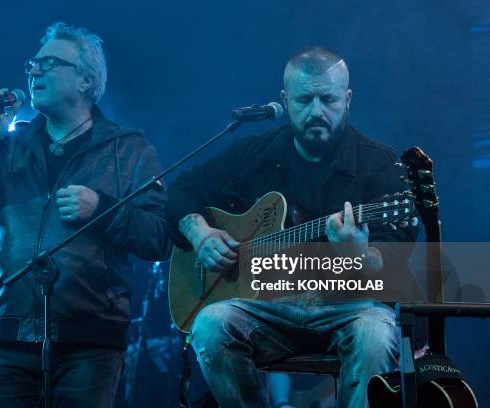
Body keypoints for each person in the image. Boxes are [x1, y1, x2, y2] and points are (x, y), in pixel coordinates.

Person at [165, 47, 419, 407]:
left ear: (347, 100)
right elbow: (182, 189)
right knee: (210, 323)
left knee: (376, 333)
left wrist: (358, 254)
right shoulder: (254, 154)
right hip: (268, 311)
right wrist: (200, 233)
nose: (316, 111)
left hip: (346, 310)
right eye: (304, 100)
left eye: (328, 99)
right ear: (285, 100)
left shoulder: (379, 164)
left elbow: (397, 268)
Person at [0, 22, 169, 408]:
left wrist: (102, 209)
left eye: (49, 63)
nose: (33, 71)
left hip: (89, 339)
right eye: (33, 63)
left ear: (85, 81)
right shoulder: (9, 144)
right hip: (6, 334)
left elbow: (159, 237)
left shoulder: (128, 150)